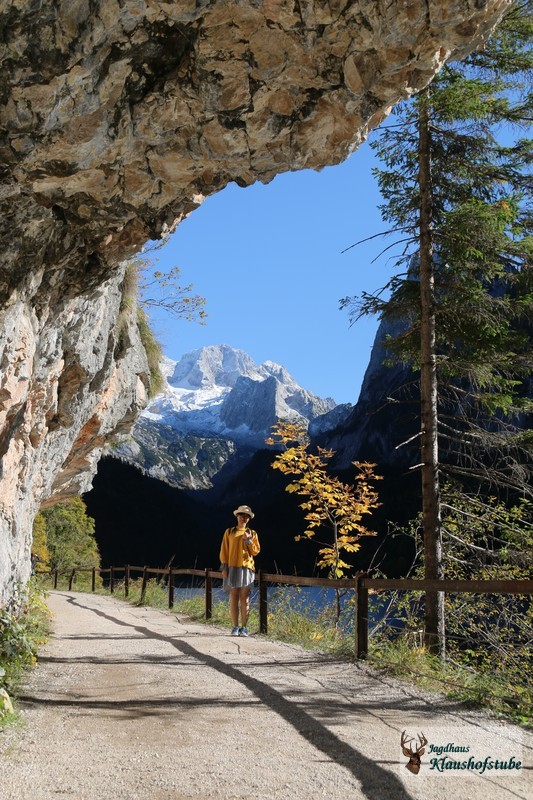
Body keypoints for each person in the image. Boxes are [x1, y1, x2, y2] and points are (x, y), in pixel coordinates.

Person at [219, 505, 260, 637]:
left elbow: (255, 551)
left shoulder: (252, 533)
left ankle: (244, 628)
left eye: (246, 516)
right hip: (231, 568)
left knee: (245, 599)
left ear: (249, 519)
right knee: (233, 597)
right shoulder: (229, 532)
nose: (243, 518)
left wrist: (248, 541)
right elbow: (224, 551)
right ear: (237, 516)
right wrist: (224, 568)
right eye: (241, 515)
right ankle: (235, 627)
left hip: (247, 568)